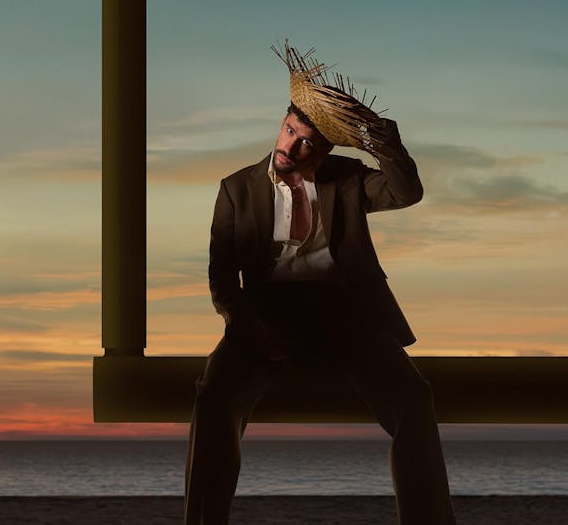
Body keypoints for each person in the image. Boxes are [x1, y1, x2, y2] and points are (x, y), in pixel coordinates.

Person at [184, 40, 457, 525]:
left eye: (305, 140)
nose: (289, 146)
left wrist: (385, 139)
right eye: (288, 130)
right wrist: (246, 325)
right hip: (263, 319)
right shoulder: (236, 188)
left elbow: (406, 191)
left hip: (347, 320)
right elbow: (222, 278)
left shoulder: (348, 179)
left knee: (415, 400)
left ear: (325, 148)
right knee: (212, 397)